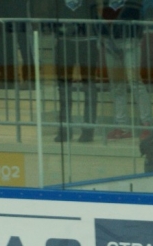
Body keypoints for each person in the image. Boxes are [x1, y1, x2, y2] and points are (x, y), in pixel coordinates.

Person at [47, 0, 99, 143]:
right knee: (64, 89)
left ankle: (88, 130)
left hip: (87, 42)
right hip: (65, 42)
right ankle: (64, 130)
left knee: (89, 87)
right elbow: (53, 12)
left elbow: (95, 12)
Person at [101, 0, 153, 140]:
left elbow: (137, 11)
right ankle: (121, 126)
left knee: (134, 82)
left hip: (130, 39)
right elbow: (104, 12)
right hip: (110, 40)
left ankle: (146, 124)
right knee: (117, 85)